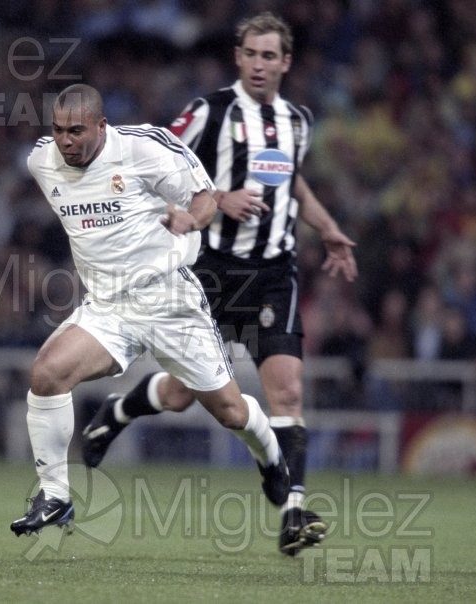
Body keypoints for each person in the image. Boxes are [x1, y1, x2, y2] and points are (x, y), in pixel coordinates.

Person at [81, 12, 358, 556]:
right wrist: (216, 200)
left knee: (288, 391)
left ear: (286, 62)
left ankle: (294, 510)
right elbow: (154, 164)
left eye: (269, 56)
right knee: (187, 394)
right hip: (212, 273)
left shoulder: (297, 121)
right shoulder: (209, 111)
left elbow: (292, 181)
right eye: (251, 54)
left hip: (275, 274)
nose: (259, 64)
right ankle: (117, 411)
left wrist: (327, 230)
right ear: (238, 57)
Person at [10, 83, 290, 537]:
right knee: (46, 373)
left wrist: (190, 219)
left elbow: (205, 198)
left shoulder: (144, 148)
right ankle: (56, 497)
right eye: (58, 130)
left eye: (76, 131)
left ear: (102, 126)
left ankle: (271, 455)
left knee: (231, 414)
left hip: (169, 301)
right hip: (108, 305)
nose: (66, 141)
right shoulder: (41, 160)